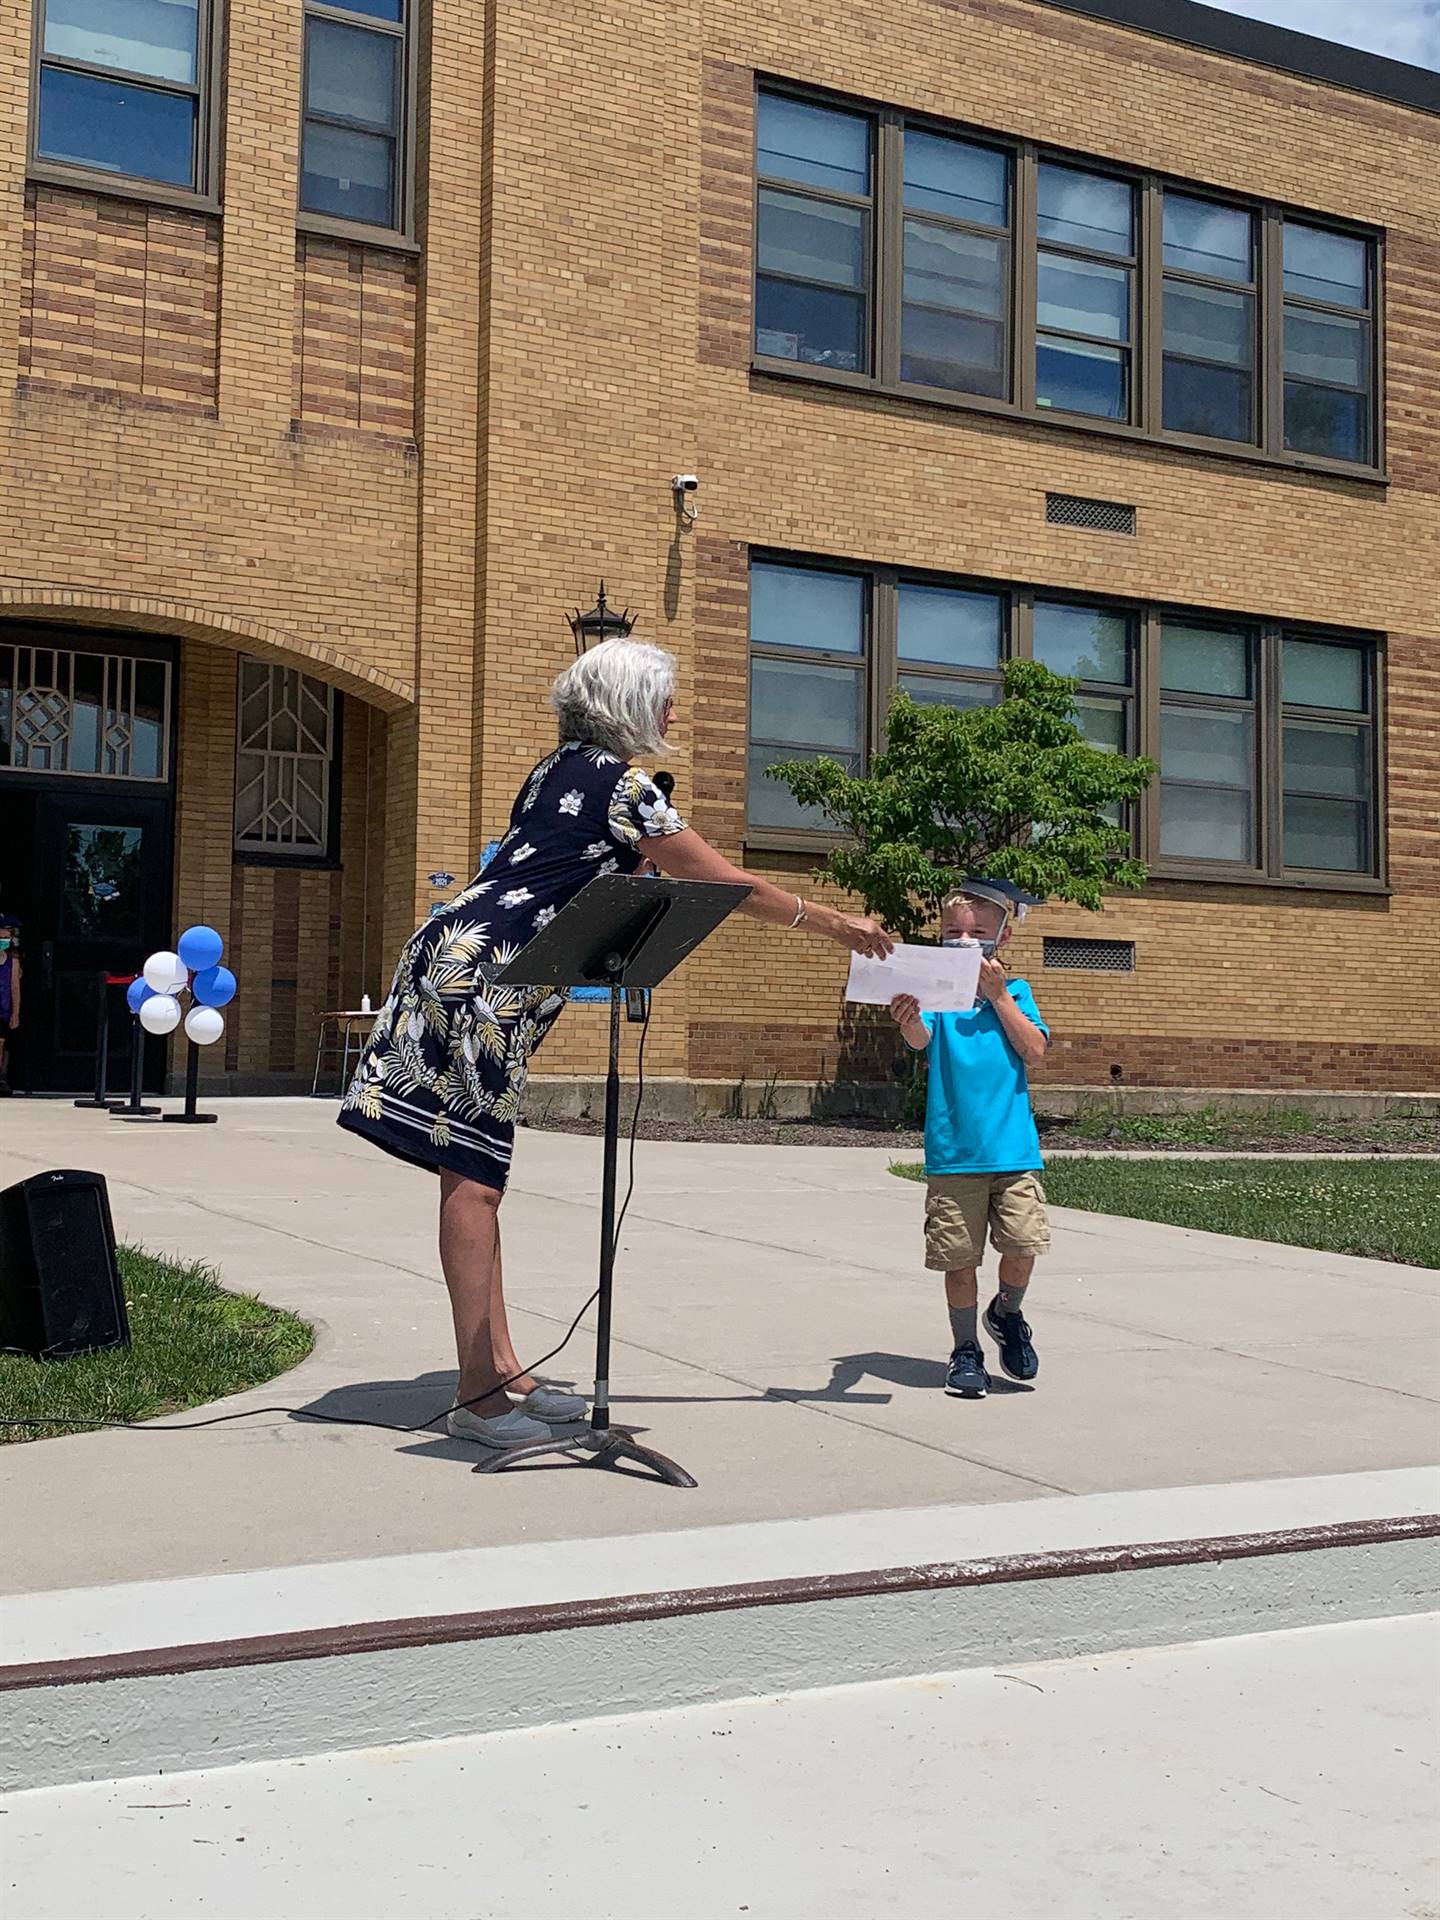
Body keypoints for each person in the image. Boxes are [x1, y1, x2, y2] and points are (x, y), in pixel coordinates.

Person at [340, 638, 893, 1450]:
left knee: (474, 1174)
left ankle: (504, 1372)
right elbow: (722, 884)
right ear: (627, 702)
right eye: (664, 697)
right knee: (476, 1181)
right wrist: (835, 923)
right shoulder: (625, 789)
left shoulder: (555, 767)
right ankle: (478, 1398)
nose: (674, 712)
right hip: (488, 977)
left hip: (456, 954)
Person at [889, 878, 1049, 1401]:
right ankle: (965, 1350)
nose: (964, 940)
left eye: (977, 932)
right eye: (954, 932)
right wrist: (909, 1020)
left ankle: (1006, 1312)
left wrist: (999, 996)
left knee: (1024, 1245)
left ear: (1000, 940)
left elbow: (1034, 1050)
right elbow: (923, 1042)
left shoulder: (1017, 992)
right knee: (959, 1259)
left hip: (1013, 1150)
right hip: (954, 1153)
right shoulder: (937, 996)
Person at [0, 916, 21, 1097]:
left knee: (2, 1042)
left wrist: (16, 1012)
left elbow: (15, 986)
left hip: (3, 1007)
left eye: (5, 939)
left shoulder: (12, 961)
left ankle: (2, 1077)